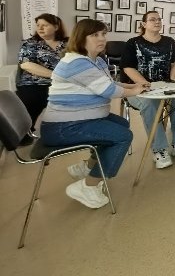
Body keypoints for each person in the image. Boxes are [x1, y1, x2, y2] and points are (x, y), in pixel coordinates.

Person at [40, 19, 147, 209]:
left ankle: (88, 166)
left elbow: (110, 83)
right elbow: (109, 90)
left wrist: (134, 85)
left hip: (79, 119)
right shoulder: (77, 62)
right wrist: (135, 92)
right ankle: (88, 186)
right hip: (62, 127)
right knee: (123, 136)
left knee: (121, 124)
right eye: (95, 35)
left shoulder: (95, 60)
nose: (102, 38)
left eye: (103, 34)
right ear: (81, 38)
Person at [120, 11, 175, 169]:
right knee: (150, 104)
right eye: (152, 19)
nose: (157, 22)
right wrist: (145, 85)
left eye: (159, 19)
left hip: (165, 88)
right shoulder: (132, 43)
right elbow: (128, 67)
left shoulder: (169, 42)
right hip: (137, 89)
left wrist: (171, 82)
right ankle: (160, 149)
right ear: (144, 24)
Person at [16, 13, 68, 144]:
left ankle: (67, 131)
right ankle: (24, 133)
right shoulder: (31, 43)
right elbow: (26, 64)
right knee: (32, 99)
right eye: (38, 25)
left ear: (56, 27)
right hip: (34, 83)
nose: (40, 28)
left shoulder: (68, 43)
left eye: (45, 25)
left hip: (64, 83)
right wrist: (55, 75)